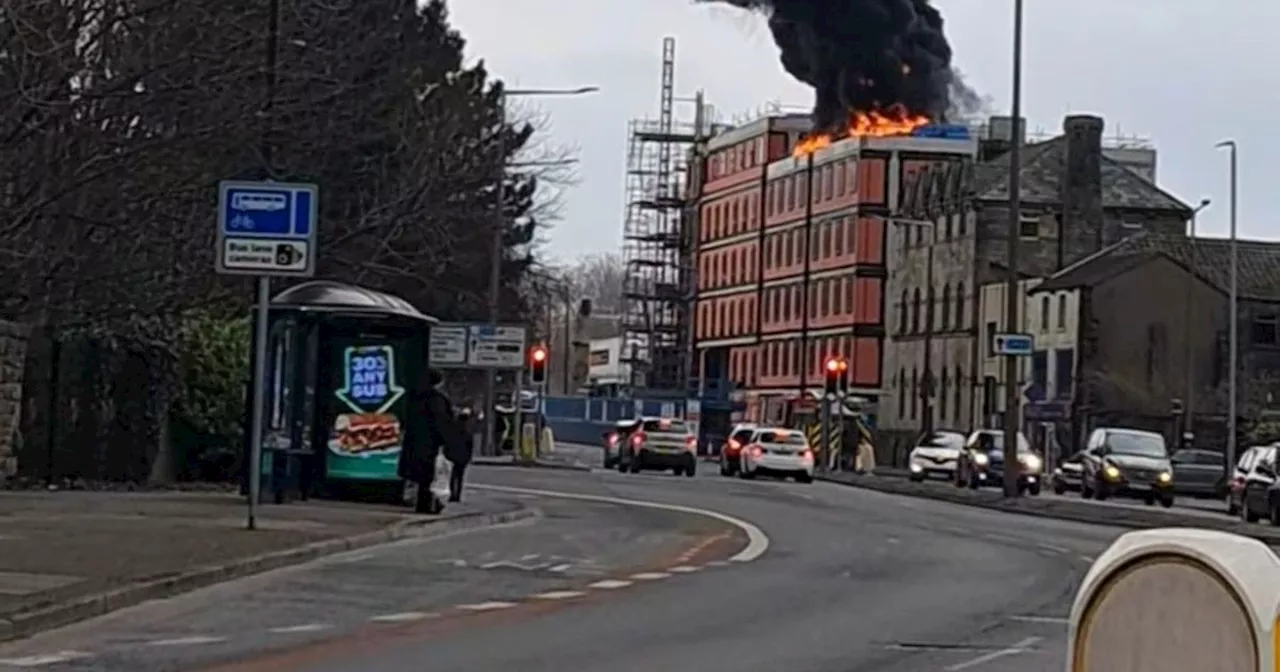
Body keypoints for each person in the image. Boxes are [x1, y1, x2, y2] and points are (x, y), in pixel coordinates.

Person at [398, 368, 464, 514]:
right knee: (430, 476)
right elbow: (442, 422)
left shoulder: (414, 397)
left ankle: (422, 503)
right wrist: (448, 442)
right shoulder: (437, 400)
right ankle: (428, 504)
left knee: (420, 476)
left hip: (414, 442)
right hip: (430, 444)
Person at [447, 407, 475, 502]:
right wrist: (468, 457)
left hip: (454, 456)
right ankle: (457, 496)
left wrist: (448, 454)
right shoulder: (468, 432)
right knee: (459, 477)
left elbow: (449, 443)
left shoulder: (453, 431)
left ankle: (452, 494)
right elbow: (470, 446)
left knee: (453, 476)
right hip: (462, 458)